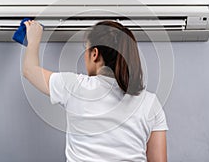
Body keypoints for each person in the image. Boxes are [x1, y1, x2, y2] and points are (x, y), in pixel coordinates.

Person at [22, 20, 169, 162]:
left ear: (95, 54)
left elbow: (29, 70)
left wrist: (34, 39)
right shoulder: (151, 103)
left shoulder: (74, 86)